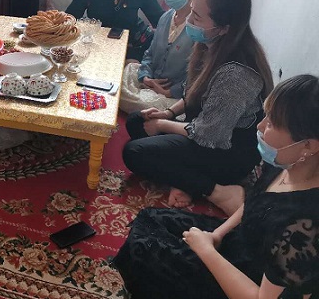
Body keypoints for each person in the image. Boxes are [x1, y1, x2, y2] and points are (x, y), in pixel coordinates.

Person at [115, 74, 319, 299]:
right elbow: (256, 201)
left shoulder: (306, 225)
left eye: (271, 123)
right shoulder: (284, 163)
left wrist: (206, 251)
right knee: (149, 222)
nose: (260, 126)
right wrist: (216, 235)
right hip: (238, 243)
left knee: (146, 251)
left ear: (308, 146)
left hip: (246, 281)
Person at [123, 0, 273, 215]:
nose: (189, 21)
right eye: (191, 11)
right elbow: (193, 93)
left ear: (223, 28)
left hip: (226, 151)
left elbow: (208, 134)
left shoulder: (236, 75)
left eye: (197, 17)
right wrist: (168, 113)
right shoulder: (210, 44)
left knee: (134, 153)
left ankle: (217, 191)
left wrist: (162, 124)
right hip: (203, 129)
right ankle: (184, 179)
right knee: (136, 121)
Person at [119, 0, 212, 114]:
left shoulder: (198, 28)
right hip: (151, 81)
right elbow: (149, 54)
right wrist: (145, 77)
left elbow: (200, 75)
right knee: (126, 71)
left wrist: (170, 92)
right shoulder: (165, 18)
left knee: (132, 99)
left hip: (173, 96)